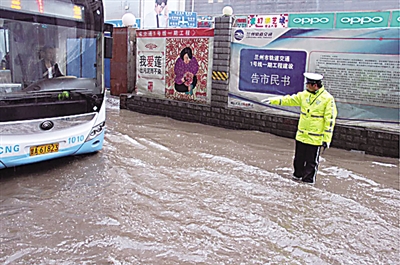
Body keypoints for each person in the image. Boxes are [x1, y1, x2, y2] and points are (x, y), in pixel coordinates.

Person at [263, 73, 337, 184]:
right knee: (298, 160)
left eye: (308, 84)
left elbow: (329, 121)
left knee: (311, 162)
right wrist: (274, 100)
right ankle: (296, 180)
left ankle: (307, 184)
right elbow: (289, 100)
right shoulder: (304, 95)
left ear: (315, 85)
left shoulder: (327, 99)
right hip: (302, 136)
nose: (306, 86)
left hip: (315, 138)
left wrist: (326, 139)